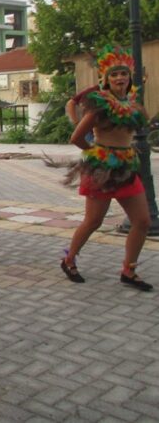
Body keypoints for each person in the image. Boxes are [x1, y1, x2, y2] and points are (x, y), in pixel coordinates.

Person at [61, 45, 153, 291]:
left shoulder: (133, 105)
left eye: (123, 73)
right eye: (114, 74)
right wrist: (95, 153)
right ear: (106, 78)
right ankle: (69, 260)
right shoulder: (100, 105)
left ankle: (129, 270)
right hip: (101, 170)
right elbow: (77, 136)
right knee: (93, 221)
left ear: (129, 77)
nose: (120, 78)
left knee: (142, 221)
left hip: (126, 168)